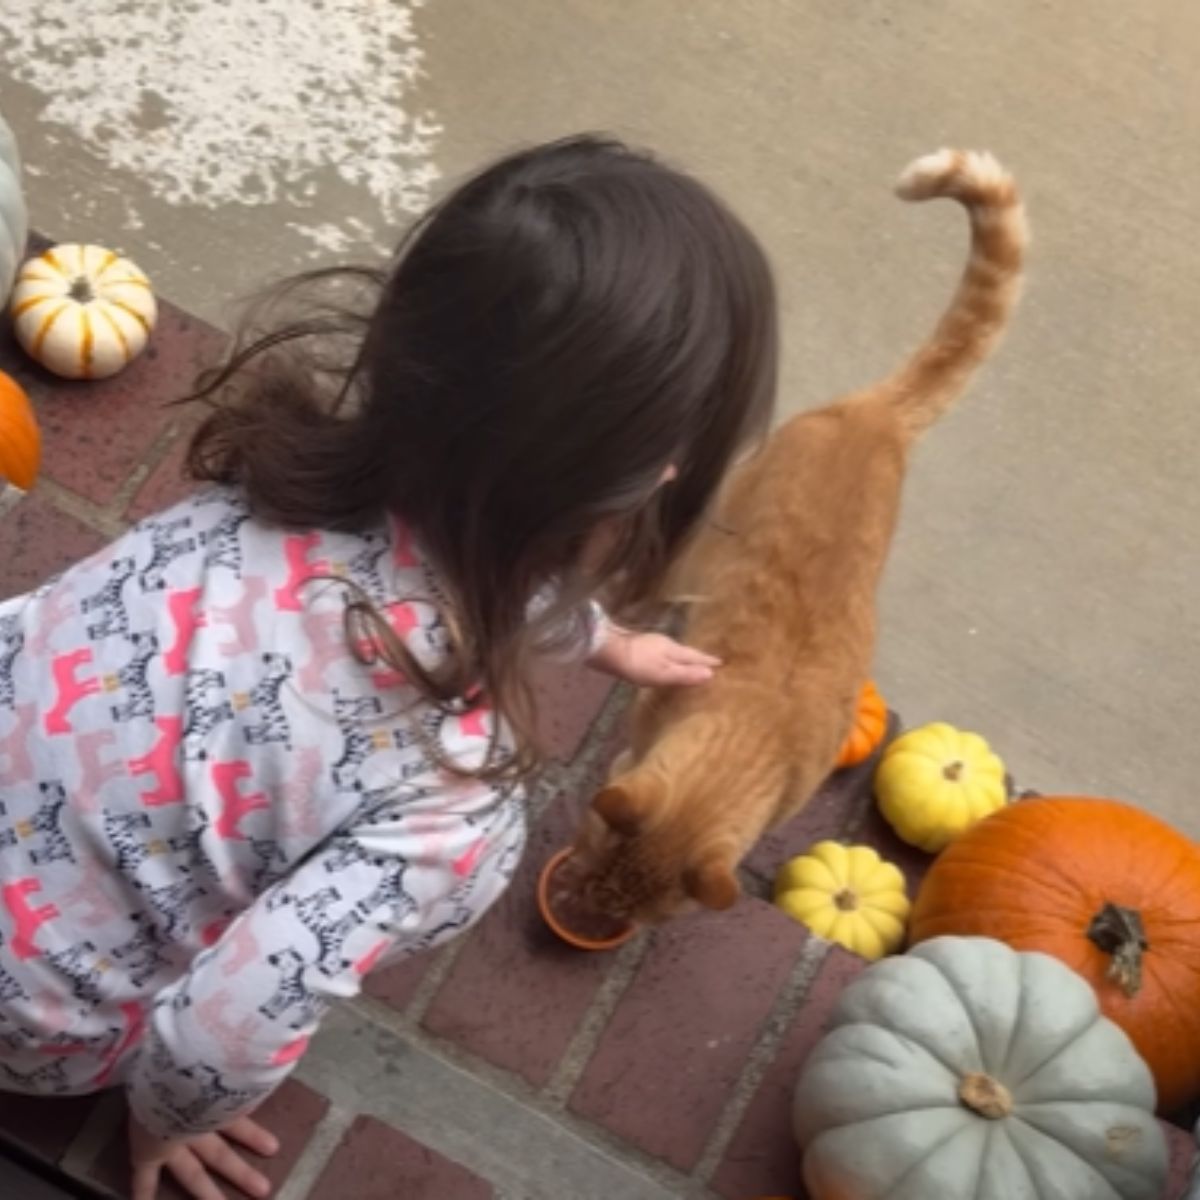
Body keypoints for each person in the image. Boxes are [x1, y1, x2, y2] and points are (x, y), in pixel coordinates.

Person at [0, 134, 777, 1200]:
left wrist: (599, 640)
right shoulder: (447, 802)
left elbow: (499, 550)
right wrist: (167, 1122)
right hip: (33, 1014)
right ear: (662, 475)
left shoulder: (265, 498)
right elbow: (229, 1024)